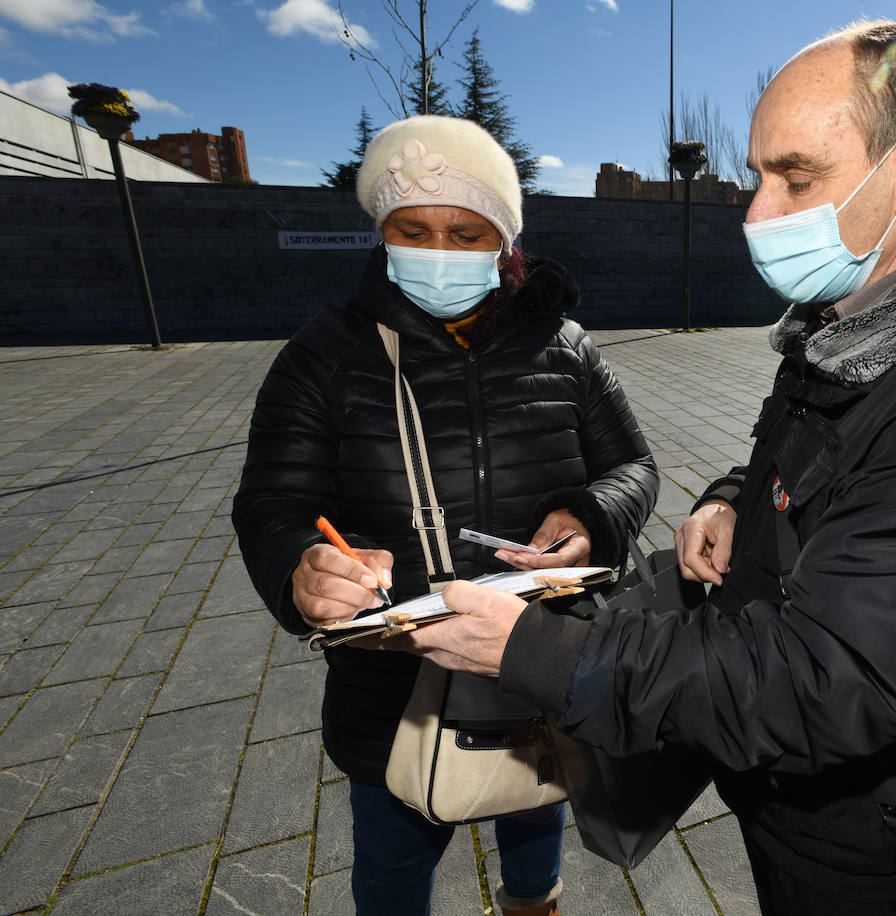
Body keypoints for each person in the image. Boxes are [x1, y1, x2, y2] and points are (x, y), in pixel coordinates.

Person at [393, 19, 896, 914]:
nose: (758, 213)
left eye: (796, 177)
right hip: (804, 811)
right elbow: (817, 457)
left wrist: (545, 654)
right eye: (758, 178)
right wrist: (731, 496)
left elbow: (828, 676)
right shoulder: (849, 324)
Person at [231, 115, 659, 916]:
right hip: (392, 679)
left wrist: (592, 514)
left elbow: (634, 464)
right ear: (381, 234)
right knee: (394, 855)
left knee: (536, 805)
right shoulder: (322, 355)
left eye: (465, 232)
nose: (439, 250)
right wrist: (300, 567)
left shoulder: (567, 347)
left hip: (540, 648)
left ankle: (534, 904)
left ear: (503, 239)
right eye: (412, 229)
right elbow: (273, 502)